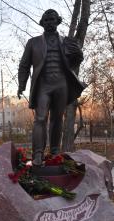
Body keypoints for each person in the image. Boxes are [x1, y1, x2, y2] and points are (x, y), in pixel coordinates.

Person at [17, 9, 87, 166]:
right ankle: (37, 154)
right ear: (42, 23)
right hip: (43, 85)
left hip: (62, 84)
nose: (49, 22)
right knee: (40, 118)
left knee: (57, 119)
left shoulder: (67, 41)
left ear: (58, 21)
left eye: (52, 19)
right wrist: (22, 84)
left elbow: (75, 61)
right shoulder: (33, 42)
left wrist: (78, 53)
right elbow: (24, 65)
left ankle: (55, 151)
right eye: (46, 20)